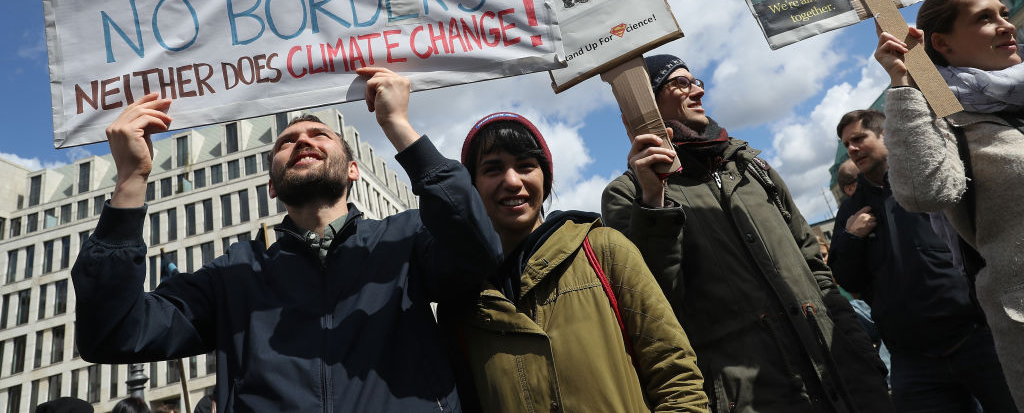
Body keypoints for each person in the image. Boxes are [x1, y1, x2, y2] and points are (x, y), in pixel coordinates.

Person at [71, 67, 503, 412]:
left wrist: (397, 125)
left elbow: (478, 248)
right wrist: (130, 179)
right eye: (287, 142)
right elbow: (112, 333)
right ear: (273, 186)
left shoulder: (407, 240)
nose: (302, 141)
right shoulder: (233, 276)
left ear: (353, 170)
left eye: (319, 135)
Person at [602, 54, 892, 413]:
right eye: (680, 83)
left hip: (847, 379)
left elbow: (815, 268)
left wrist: (858, 347)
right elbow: (654, 305)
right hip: (754, 398)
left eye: (696, 81)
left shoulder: (752, 167)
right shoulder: (628, 194)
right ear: (646, 102)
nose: (697, 91)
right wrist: (654, 200)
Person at [442, 112, 708, 412]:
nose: (512, 181)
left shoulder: (605, 250)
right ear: (473, 187)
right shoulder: (463, 305)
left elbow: (677, 377)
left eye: (526, 166)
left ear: (546, 177)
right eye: (493, 169)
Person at [875, 0, 1024, 409]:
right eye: (984, 18)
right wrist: (903, 82)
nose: (1006, 25)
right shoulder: (943, 115)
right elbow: (924, 192)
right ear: (941, 42)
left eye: (1004, 12)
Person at [829, 108, 1016, 413]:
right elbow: (846, 279)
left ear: (884, 135)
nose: (851, 148)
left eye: (859, 138)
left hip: (978, 339)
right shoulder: (850, 212)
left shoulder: (923, 180)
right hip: (913, 362)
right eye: (846, 143)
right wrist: (852, 239)